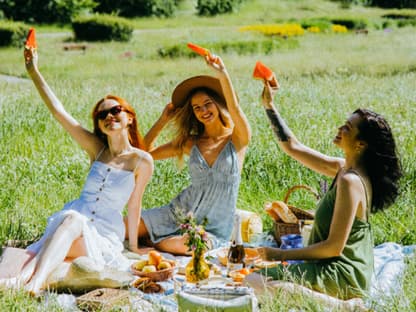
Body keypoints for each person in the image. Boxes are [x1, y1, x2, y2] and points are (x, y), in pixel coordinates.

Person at [0, 47, 153, 296]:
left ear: (130, 118)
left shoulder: (141, 161)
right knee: (70, 219)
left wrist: (134, 247)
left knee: (70, 222)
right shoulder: (97, 150)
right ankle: (28, 282)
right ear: (100, 125)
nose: (109, 116)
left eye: (116, 111)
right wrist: (33, 71)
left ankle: (28, 282)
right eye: (103, 114)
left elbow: (135, 205)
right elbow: (59, 113)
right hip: (70, 225)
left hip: (102, 235)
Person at [245, 76, 402, 304]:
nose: (340, 128)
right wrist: (269, 106)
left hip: (342, 275)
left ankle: (344, 307)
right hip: (338, 269)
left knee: (253, 281)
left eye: (347, 128)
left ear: (361, 144)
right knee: (255, 281)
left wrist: (279, 255)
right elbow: (292, 147)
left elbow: (333, 248)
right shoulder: (342, 168)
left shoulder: (350, 181)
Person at [125, 53, 251, 255]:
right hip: (177, 213)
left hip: (212, 229)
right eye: (197, 108)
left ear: (218, 104)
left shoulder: (237, 139)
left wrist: (223, 73)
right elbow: (143, 154)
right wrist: (162, 120)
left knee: (193, 246)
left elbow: (235, 108)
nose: (203, 110)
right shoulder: (190, 143)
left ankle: (153, 242)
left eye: (208, 103)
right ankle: (153, 238)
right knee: (122, 228)